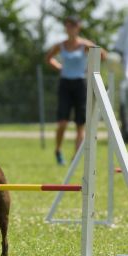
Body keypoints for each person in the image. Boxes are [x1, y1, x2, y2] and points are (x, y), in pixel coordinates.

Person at [46, 16, 107, 165]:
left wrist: (89, 68)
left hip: (81, 84)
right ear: (66, 28)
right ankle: (58, 150)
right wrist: (60, 68)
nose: (70, 29)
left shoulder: (84, 45)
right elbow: (48, 59)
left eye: (73, 26)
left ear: (77, 28)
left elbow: (103, 56)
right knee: (62, 123)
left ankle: (75, 157)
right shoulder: (60, 45)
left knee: (80, 123)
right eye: (67, 26)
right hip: (65, 84)